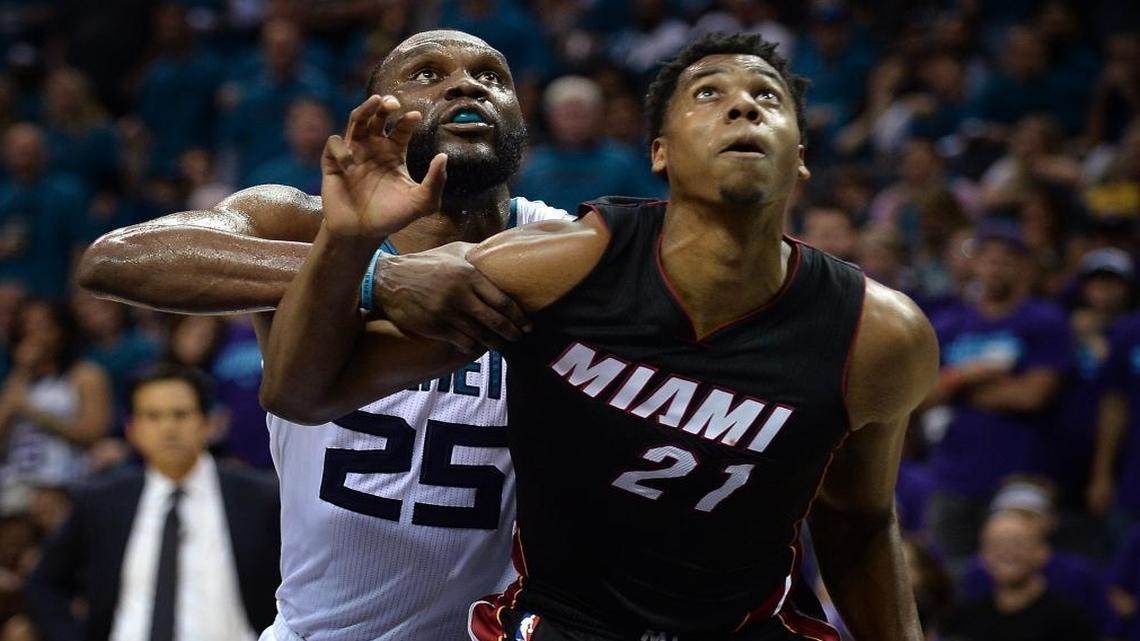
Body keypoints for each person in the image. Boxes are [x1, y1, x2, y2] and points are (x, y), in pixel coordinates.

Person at [262, 32, 939, 641]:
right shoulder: (563, 269)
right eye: (709, 94)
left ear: (801, 154)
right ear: (660, 152)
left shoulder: (876, 333)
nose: (742, 108)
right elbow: (301, 390)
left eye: (766, 96)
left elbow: (857, 520)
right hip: (561, 624)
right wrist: (355, 255)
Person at [78, 30, 571, 641]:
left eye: (492, 76)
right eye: (426, 74)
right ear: (376, 116)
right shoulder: (305, 224)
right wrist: (375, 277)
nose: (467, 85)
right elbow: (114, 259)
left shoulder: (561, 246)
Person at [25, 364, 281, 641]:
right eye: (153, 416)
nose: (168, 427)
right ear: (132, 429)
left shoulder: (258, 498)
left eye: (180, 415)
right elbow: (44, 584)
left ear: (208, 423)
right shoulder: (102, 500)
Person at [939, 510, 1097, 641]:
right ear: (982, 555)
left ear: (1042, 552)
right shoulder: (965, 616)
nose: (1006, 552)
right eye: (996, 545)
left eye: (1018, 544)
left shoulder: (1068, 618)